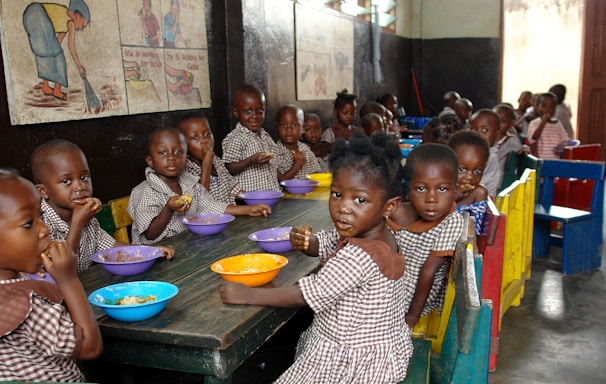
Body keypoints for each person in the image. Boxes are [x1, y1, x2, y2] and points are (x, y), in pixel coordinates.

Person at [220, 133, 413, 383]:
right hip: (381, 352)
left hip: (350, 364)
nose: (343, 207)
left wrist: (246, 295)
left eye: (360, 200)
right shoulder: (380, 236)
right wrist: (310, 243)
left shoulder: (357, 256)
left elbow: (304, 295)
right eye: (336, 194)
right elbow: (333, 241)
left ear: (389, 206)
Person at [290, 139, 465, 328]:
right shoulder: (386, 211)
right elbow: (341, 239)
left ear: (455, 190)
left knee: (330, 304)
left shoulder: (451, 221)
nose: (431, 199)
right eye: (421, 188)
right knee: (330, 301)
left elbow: (428, 271)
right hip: (379, 291)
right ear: (407, 189)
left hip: (411, 303)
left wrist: (412, 316)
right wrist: (309, 241)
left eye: (442, 189)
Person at [0, 169, 102, 381]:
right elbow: (90, 347)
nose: (45, 229)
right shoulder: (27, 305)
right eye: (28, 223)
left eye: (41, 216)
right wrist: (69, 280)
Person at [29, 140, 174, 272]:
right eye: (66, 181)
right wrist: (77, 224)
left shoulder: (88, 219)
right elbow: (60, 271)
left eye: (84, 177)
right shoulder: (41, 226)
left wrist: (148, 252)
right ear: (43, 191)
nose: (80, 186)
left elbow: (112, 247)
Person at [128, 128, 271, 244]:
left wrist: (248, 209)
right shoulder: (145, 192)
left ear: (186, 157)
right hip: (157, 255)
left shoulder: (190, 183)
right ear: (150, 161)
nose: (171, 158)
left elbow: (211, 206)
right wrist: (168, 209)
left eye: (178, 152)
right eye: (162, 153)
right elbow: (150, 235)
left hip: (186, 247)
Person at [22, 0, 91, 101]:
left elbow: (55, 45)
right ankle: (57, 90)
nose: (81, 29)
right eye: (82, 25)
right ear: (78, 16)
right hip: (37, 13)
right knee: (58, 58)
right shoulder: (71, 22)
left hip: (30, 15)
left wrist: (53, 52)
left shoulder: (68, 22)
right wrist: (79, 67)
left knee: (48, 53)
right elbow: (71, 48)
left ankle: (46, 87)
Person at [222, 85, 282, 192]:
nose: (255, 116)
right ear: (236, 112)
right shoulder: (236, 138)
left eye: (259, 111)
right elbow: (228, 168)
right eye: (248, 111)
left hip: (271, 192)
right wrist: (250, 160)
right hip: (249, 198)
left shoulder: (265, 136)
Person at [177, 111, 241, 205]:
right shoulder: (186, 170)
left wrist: (252, 198)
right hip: (206, 219)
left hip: (228, 215)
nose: (204, 141)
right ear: (182, 144)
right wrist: (206, 164)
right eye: (195, 137)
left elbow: (231, 187)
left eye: (207, 135)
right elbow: (201, 201)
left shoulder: (216, 161)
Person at [447, 130, 490, 236]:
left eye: (477, 171)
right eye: (462, 169)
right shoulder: (436, 187)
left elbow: (474, 235)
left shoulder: (478, 194)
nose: (470, 177)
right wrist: (453, 197)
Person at [274, 104, 321, 180]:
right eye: (283, 125)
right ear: (276, 129)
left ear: (303, 128)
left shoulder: (305, 149)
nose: (289, 129)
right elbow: (281, 181)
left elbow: (316, 174)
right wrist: (298, 163)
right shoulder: (274, 152)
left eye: (294, 125)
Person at [526, 92, 571, 159]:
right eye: (544, 106)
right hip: (541, 161)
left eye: (552, 107)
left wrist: (561, 146)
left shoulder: (557, 123)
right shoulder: (534, 123)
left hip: (556, 159)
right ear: (537, 108)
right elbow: (534, 137)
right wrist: (543, 122)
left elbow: (565, 140)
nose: (548, 109)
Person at [470, 109, 503, 196]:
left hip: (481, 203)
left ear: (497, 135)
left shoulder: (490, 157)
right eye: (473, 129)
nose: (477, 134)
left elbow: (472, 187)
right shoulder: (473, 153)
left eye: (484, 130)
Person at [493, 103, 524, 174]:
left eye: (503, 121)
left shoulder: (512, 141)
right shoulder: (486, 138)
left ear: (511, 124)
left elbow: (520, 156)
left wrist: (523, 150)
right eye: (495, 120)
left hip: (499, 180)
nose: (498, 124)